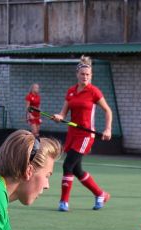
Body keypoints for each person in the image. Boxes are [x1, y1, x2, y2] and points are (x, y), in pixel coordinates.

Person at [52, 55, 112, 212]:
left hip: (86, 135)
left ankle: (64, 202)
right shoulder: (71, 91)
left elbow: (108, 111)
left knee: (67, 165)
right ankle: (100, 194)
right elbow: (63, 113)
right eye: (82, 74)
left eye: (88, 74)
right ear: (77, 75)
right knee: (76, 170)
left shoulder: (94, 92)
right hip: (72, 133)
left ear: (91, 76)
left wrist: (108, 129)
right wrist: (59, 117)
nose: (85, 77)